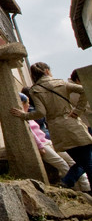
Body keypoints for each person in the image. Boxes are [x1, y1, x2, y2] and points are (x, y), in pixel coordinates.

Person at [11, 62, 92, 191]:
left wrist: (24, 115)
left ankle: (67, 181)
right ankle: (68, 181)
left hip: (57, 130)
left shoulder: (35, 90)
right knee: (87, 162)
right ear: (47, 71)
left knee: (84, 161)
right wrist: (78, 111)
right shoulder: (60, 82)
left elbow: (41, 112)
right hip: (72, 124)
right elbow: (83, 90)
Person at [20, 93, 91, 191]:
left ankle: (86, 187)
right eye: (26, 103)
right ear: (22, 104)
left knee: (73, 161)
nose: (28, 105)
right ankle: (76, 189)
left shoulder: (29, 115)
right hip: (42, 145)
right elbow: (31, 134)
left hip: (47, 141)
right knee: (62, 163)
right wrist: (40, 146)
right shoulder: (25, 117)